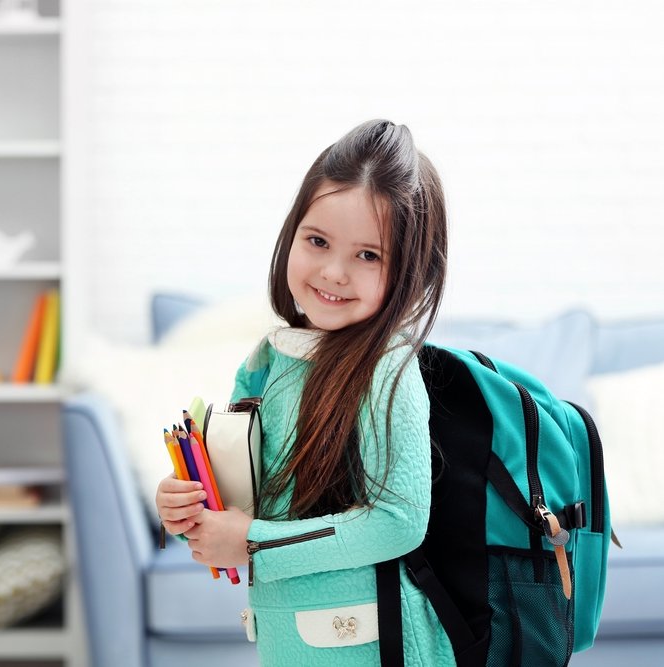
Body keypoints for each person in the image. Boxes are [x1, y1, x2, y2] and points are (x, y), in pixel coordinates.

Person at [155, 119, 455, 666]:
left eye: (369, 255)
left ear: (410, 269)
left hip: (373, 645)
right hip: (287, 641)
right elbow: (239, 511)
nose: (334, 272)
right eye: (317, 241)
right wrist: (186, 512)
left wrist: (252, 544)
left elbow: (400, 523)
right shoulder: (268, 361)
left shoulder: (386, 368)